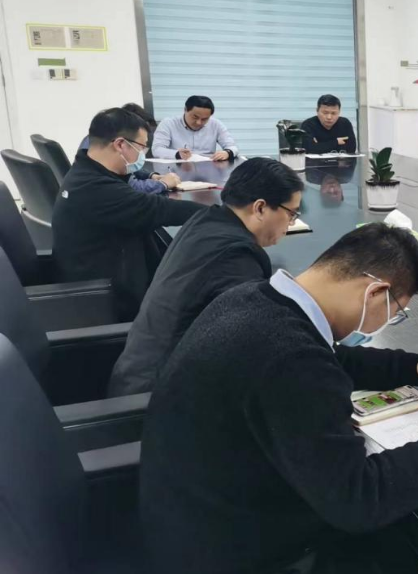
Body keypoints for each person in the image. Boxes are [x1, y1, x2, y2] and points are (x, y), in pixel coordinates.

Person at [140, 223, 418, 574]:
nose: (387, 322)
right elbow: (359, 499)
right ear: (375, 293)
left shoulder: (254, 298)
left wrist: (411, 367)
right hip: (239, 568)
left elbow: (328, 358)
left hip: (195, 524)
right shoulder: (292, 359)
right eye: (396, 313)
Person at [106, 157, 304, 398]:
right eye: (291, 213)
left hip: (137, 375)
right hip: (157, 400)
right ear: (260, 208)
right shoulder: (236, 257)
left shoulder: (206, 222)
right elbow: (252, 342)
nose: (290, 223)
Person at [53, 108, 205, 320]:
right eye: (141, 147)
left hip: (110, 271)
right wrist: (223, 213)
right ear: (120, 145)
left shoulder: (85, 172)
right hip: (110, 299)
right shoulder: (96, 188)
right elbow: (158, 209)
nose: (143, 155)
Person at [79, 103, 182, 194]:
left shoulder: (100, 138)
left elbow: (130, 172)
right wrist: (163, 184)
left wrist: (151, 175)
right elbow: (132, 187)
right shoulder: (105, 149)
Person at [152, 95, 238, 161]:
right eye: (195, 117)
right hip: (177, 168)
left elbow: (232, 147)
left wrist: (227, 153)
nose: (199, 122)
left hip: (207, 168)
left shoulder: (216, 124)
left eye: (204, 119)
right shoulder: (168, 124)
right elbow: (157, 149)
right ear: (185, 110)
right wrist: (177, 154)